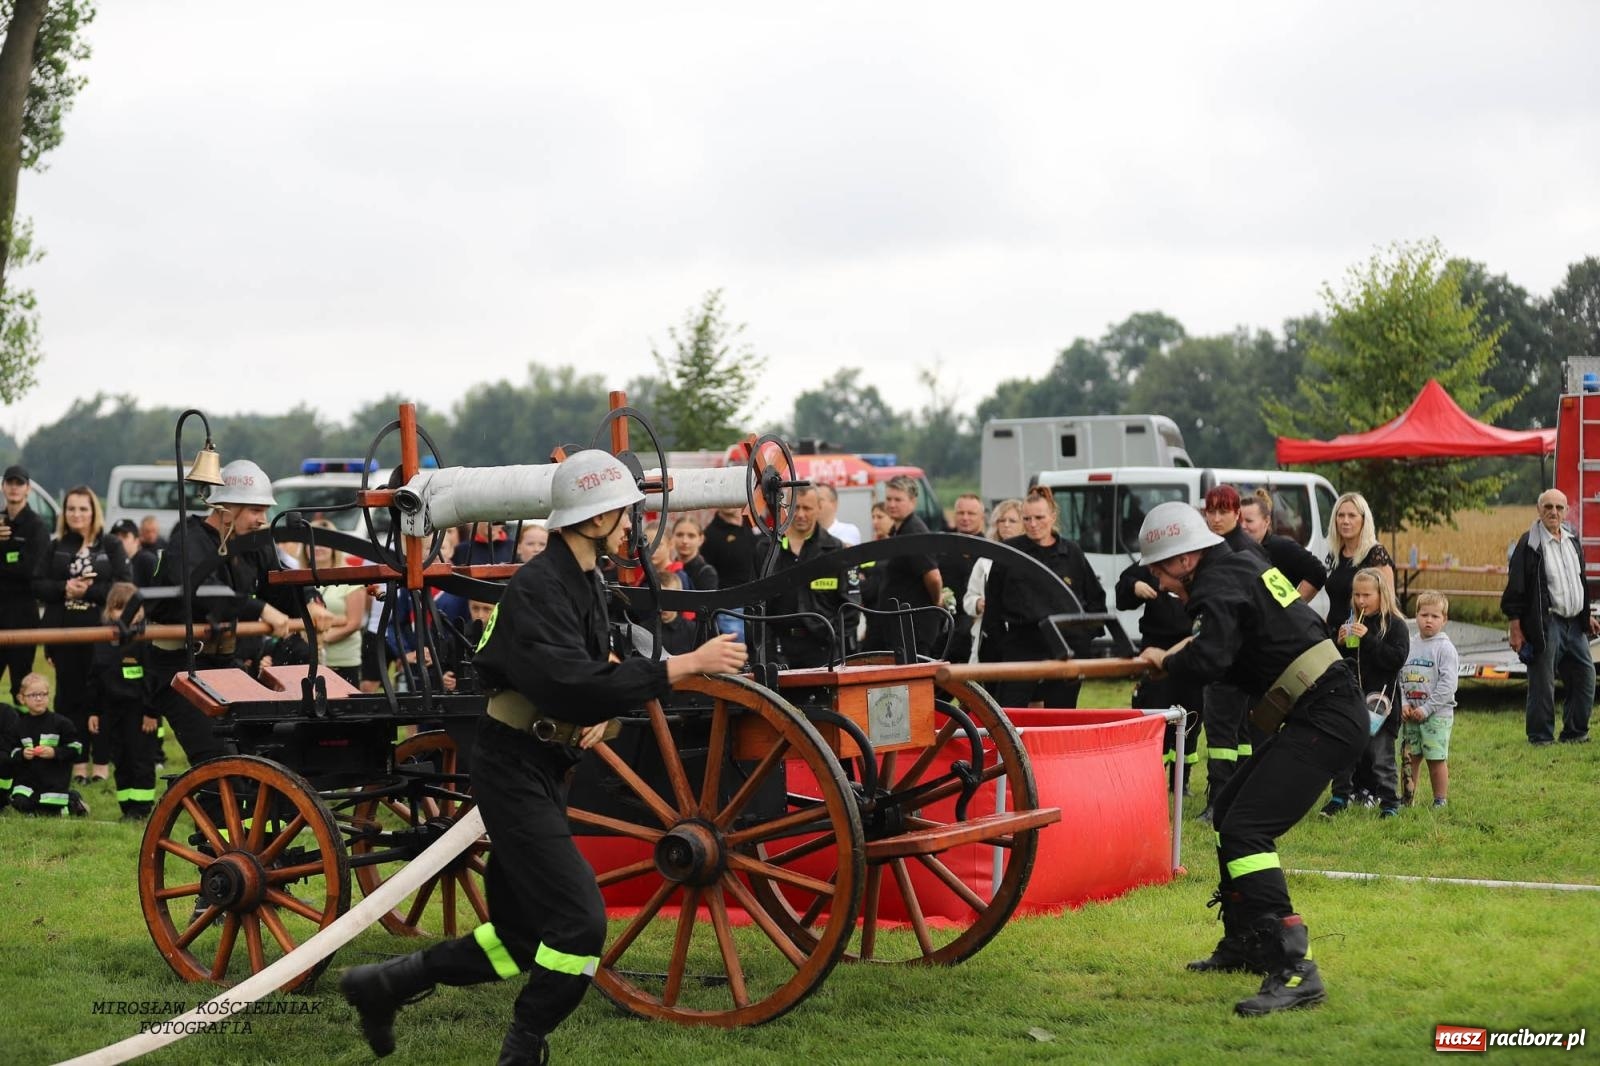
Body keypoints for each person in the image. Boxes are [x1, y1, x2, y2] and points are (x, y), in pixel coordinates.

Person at [340, 449, 747, 1064]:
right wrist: (685, 665)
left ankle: (386, 984)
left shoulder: (583, 582)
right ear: (592, 521)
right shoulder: (538, 588)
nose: (633, 525)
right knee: (579, 926)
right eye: (623, 513)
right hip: (512, 769)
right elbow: (568, 681)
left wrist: (604, 712)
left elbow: (590, 674)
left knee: (518, 937)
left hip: (541, 766)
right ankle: (524, 1045)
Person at [1135, 501, 1364, 1017]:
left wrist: (1168, 661)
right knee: (1230, 812)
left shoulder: (1217, 585)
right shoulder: (1240, 564)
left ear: (1186, 560)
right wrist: (1178, 654)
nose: (1158, 579)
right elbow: (1234, 658)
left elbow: (1212, 660)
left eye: (1160, 567)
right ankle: (1247, 941)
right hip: (1321, 707)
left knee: (1246, 830)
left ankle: (1294, 967)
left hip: (1325, 716)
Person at [144, 460, 330, 768]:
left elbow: (281, 583)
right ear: (225, 508)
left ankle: (247, 812)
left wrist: (311, 601)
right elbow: (204, 592)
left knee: (255, 749)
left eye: (264, 511)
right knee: (217, 758)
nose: (263, 519)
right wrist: (259, 609)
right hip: (179, 667)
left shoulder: (255, 545)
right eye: (255, 510)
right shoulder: (187, 542)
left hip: (225, 663)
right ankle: (222, 813)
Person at [35, 485, 128, 784]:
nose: (77, 514)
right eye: (71, 508)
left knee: (101, 696)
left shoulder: (111, 544)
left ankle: (101, 763)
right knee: (69, 697)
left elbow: (124, 585)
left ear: (93, 511)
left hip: (101, 634)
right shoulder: (55, 545)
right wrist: (64, 588)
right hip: (64, 633)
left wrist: (91, 590)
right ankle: (76, 762)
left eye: (83, 508)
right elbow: (37, 584)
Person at [983, 486, 1105, 707]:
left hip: (1064, 644)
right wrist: (1001, 648)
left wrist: (1083, 642)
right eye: (1027, 518)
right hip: (1021, 644)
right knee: (1010, 714)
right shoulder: (1009, 552)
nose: (1033, 524)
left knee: (1061, 715)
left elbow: (1095, 599)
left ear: (1053, 517)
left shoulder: (1072, 553)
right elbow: (993, 608)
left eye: (1039, 517)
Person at [1501, 489, 1597, 745]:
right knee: (1543, 683)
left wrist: (1586, 616)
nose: (1554, 512)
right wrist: (1515, 627)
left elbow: (1580, 582)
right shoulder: (1529, 544)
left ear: (1565, 511)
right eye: (1548, 507)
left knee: (1586, 677)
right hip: (1546, 622)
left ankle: (1575, 733)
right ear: (1538, 509)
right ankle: (1540, 737)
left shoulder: (1572, 539)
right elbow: (1516, 588)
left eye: (1559, 507)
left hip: (1575, 623)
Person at [1197, 486, 1266, 820]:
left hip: (1231, 657)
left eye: (1223, 511)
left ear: (1237, 513)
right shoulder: (1233, 547)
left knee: (1222, 733)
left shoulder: (1236, 551)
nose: (1216, 517)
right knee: (1239, 735)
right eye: (1211, 511)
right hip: (1242, 658)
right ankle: (1239, 796)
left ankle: (1219, 803)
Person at [1321, 568, 1410, 818]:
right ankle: (1340, 797)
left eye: (1367, 595)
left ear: (1382, 594)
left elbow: (1395, 659)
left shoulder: (1395, 625)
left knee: (1381, 756)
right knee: (1345, 753)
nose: (1361, 601)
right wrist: (1337, 642)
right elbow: (1342, 663)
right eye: (1357, 595)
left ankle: (1390, 802)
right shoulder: (1350, 622)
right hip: (1351, 701)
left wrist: (1369, 639)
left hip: (1381, 704)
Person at [1117, 552, 1203, 793]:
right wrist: (1134, 586)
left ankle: (1181, 781)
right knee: (1156, 715)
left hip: (1192, 649)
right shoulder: (1155, 560)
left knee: (1192, 716)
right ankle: (1151, 778)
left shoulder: (1202, 563)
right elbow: (1123, 587)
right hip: (1156, 649)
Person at [756, 486, 857, 668]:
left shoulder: (837, 551)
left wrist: (833, 638)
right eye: (796, 507)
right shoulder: (766, 550)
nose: (801, 514)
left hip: (824, 652)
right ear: (787, 508)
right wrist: (763, 648)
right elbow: (753, 604)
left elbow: (851, 608)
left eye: (807, 508)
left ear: (819, 508)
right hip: (778, 652)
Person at [88, 582, 159, 820]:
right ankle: (127, 806)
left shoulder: (145, 639)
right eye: (118, 609)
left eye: (130, 609)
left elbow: (153, 677)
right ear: (110, 610)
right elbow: (94, 678)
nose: (124, 614)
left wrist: (152, 712)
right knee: (120, 759)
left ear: (140, 610)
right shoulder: (102, 638)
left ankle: (141, 808)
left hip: (139, 710)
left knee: (140, 758)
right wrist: (94, 712)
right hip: (111, 709)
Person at [866, 475, 944, 658]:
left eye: (898, 499)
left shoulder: (914, 533)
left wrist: (936, 602)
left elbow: (933, 577)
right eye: (889, 499)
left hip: (913, 628)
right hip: (898, 624)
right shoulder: (898, 530)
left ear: (913, 501)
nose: (892, 504)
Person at [1398, 591, 1458, 808]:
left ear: (1444, 619)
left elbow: (1448, 685)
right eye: (1424, 615)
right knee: (1410, 758)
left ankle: (1440, 800)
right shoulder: (1409, 644)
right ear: (1416, 616)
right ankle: (1407, 799)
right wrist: (1404, 703)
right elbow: (1400, 677)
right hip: (1411, 714)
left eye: (1435, 616)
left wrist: (1427, 708)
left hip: (1436, 716)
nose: (1429, 620)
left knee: (1435, 758)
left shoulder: (1445, 649)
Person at [0, 464, 51, 704]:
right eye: (10, 482)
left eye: (19, 483)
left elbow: (31, 570)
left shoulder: (36, 526)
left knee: (21, 687)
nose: (14, 488)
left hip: (22, 616)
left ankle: (23, 738)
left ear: (28, 489)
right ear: (2, 487)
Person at [7, 672, 87, 816]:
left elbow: (77, 748)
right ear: (21, 698)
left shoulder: (61, 723)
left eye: (43, 694)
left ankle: (71, 802)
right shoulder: (18, 725)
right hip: (27, 782)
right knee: (19, 802)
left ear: (48, 695)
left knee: (49, 811)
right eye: (33, 695)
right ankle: (59, 804)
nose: (39, 699)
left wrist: (55, 752)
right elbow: (11, 752)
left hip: (53, 782)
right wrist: (22, 754)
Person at [962, 499, 1023, 663]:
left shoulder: (1030, 560)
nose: (1006, 525)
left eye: (1012, 520)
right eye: (1002, 520)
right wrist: (978, 603)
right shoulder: (985, 559)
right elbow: (968, 599)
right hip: (989, 636)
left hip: (1020, 636)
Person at [1323, 492, 1394, 633]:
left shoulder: (1375, 554)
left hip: (1361, 638)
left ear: (1363, 520)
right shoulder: (1335, 555)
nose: (1345, 521)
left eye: (1352, 515)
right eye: (1341, 515)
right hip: (1334, 635)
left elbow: (1389, 603)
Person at [1238, 489, 1326, 602]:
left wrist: (1295, 608)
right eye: (1239, 521)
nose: (1243, 526)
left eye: (1249, 521)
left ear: (1266, 521)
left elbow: (1317, 572)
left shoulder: (1281, 547)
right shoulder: (1234, 548)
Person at [310, 520, 368, 688]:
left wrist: (319, 641)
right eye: (312, 544)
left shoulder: (351, 577)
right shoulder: (295, 576)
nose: (317, 548)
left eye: (323, 544)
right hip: (308, 661)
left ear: (334, 547)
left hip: (343, 661)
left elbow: (354, 623)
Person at [939, 493, 987, 665]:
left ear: (982, 517)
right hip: (943, 622)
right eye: (961, 513)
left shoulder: (991, 550)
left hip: (974, 625)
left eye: (971, 513)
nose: (965, 518)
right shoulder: (941, 546)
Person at [670, 515, 719, 595]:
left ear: (701, 539)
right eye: (679, 535)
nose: (684, 541)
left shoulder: (707, 574)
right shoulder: (667, 569)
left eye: (691, 536)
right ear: (672, 537)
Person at [111, 518, 160, 586]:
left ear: (136, 540)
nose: (118, 540)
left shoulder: (148, 561)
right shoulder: (110, 561)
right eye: (115, 536)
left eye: (124, 536)